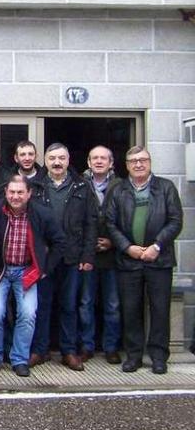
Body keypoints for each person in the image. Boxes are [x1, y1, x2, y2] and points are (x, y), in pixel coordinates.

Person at [107, 146, 182, 374]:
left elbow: (175, 220)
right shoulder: (118, 190)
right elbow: (110, 223)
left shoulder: (166, 188)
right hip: (129, 261)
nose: (138, 165)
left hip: (159, 260)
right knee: (131, 310)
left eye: (142, 160)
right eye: (133, 161)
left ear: (149, 162)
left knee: (160, 310)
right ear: (126, 165)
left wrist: (157, 246)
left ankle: (159, 357)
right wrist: (127, 247)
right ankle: (134, 356)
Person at [0, 175, 65, 377]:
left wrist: (45, 269)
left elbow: (59, 242)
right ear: (5, 193)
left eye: (20, 192)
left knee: (28, 314)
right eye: (12, 192)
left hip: (27, 272)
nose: (15, 196)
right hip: (0, 271)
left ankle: (19, 359)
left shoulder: (42, 214)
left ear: (29, 194)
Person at [29, 143, 97, 371]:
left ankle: (69, 351)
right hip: (44, 258)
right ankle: (40, 349)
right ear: (45, 161)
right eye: (52, 158)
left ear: (68, 160)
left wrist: (88, 254)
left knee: (69, 305)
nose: (56, 162)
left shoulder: (82, 186)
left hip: (71, 257)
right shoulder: (35, 186)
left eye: (61, 158)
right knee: (42, 305)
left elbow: (91, 223)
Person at [80, 145, 123, 364]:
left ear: (111, 163)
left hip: (112, 256)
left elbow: (126, 220)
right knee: (86, 302)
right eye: (94, 158)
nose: (98, 161)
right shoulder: (79, 184)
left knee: (112, 304)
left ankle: (111, 347)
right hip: (87, 255)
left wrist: (113, 242)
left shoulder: (121, 186)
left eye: (103, 158)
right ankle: (87, 346)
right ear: (88, 162)